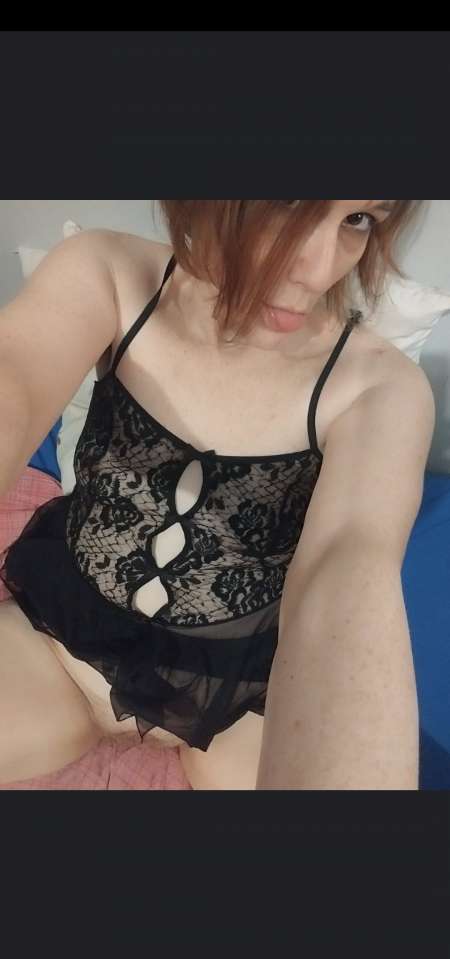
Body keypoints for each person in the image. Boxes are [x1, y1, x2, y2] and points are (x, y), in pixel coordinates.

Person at [0, 200, 435, 790]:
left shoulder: (381, 387)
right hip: (59, 637)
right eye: (286, 203)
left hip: (241, 696)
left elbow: (348, 563)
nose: (319, 270)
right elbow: (14, 382)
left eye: (358, 219)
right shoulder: (109, 273)